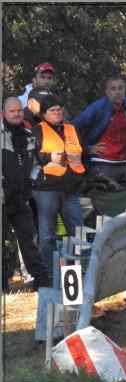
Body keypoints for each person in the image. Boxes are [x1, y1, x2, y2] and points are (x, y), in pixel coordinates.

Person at [31, 94, 85, 274]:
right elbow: (31, 155)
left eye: (58, 109)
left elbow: (80, 152)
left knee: (78, 232)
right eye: (52, 110)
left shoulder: (71, 128)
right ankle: (48, 274)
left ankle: (78, 271)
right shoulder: (37, 130)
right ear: (44, 114)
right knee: (47, 236)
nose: (56, 113)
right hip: (46, 189)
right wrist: (48, 157)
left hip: (70, 188)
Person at [1, 97, 51, 291]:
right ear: (4, 113)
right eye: (11, 111)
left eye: (18, 110)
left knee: (29, 240)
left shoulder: (30, 135)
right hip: (3, 198)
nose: (16, 114)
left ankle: (41, 281)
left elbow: (37, 164)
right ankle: (3, 283)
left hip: (22, 198)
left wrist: (33, 180)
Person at [72, 75, 126, 190]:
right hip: (102, 163)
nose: (117, 92)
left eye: (120, 88)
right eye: (113, 89)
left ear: (125, 90)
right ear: (107, 92)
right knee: (107, 202)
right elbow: (72, 127)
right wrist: (87, 148)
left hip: (122, 162)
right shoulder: (97, 108)